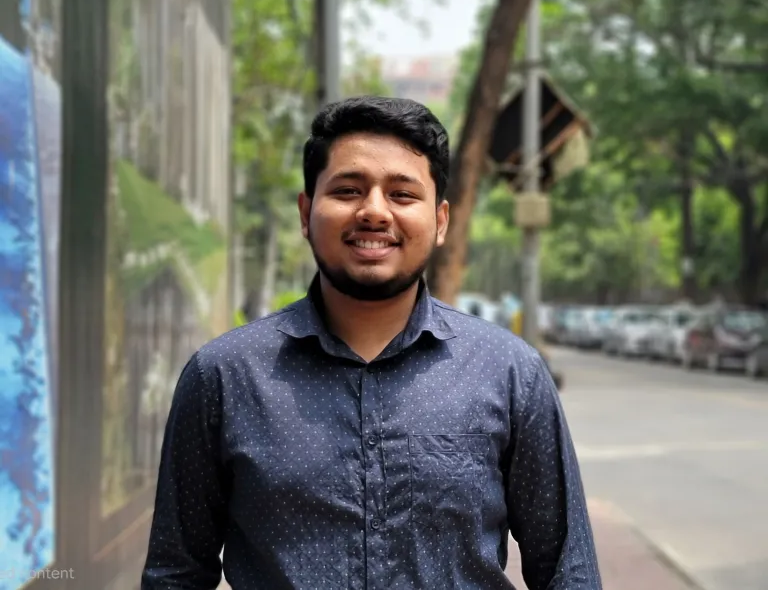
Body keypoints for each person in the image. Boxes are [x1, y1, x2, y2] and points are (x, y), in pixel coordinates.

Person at [140, 96, 602, 589]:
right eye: (348, 190)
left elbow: (567, 572)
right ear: (306, 212)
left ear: (441, 221)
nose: (374, 212)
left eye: (403, 194)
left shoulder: (508, 372)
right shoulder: (224, 377)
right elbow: (176, 574)